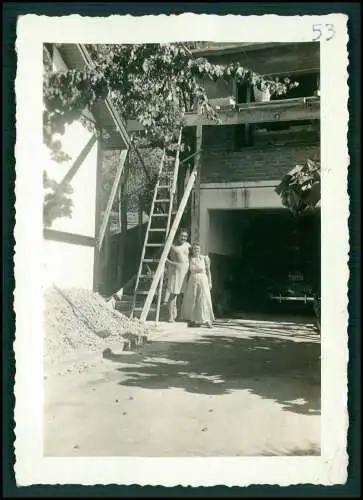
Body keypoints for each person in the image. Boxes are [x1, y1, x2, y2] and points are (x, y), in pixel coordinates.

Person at [181, 242, 215, 327]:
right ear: (192, 250)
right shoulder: (190, 259)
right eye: (195, 248)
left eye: (198, 248)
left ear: (200, 249)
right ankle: (193, 319)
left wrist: (210, 282)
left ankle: (207, 320)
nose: (196, 250)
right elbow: (187, 272)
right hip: (193, 280)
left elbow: (208, 271)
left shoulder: (205, 258)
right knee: (193, 299)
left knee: (204, 298)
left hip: (203, 280)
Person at [164, 229, 191, 322]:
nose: (183, 238)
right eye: (182, 236)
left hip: (185, 273)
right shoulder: (172, 246)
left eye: (185, 236)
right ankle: (171, 316)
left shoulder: (188, 245)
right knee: (173, 294)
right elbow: (165, 257)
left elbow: (192, 256)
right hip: (175, 272)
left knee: (181, 295)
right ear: (178, 236)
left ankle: (179, 316)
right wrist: (171, 263)